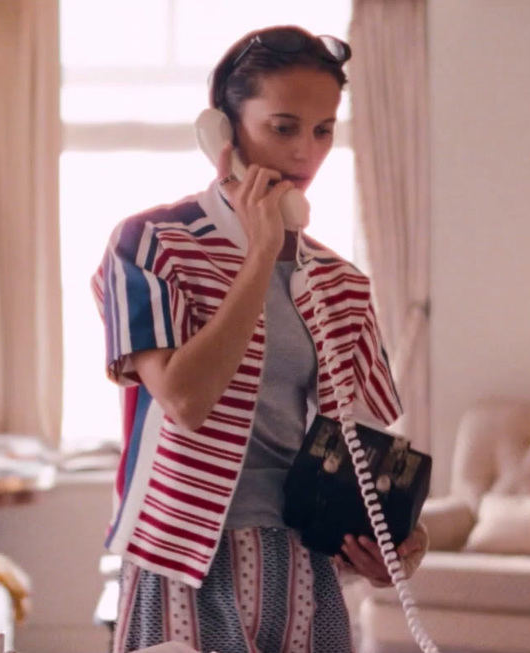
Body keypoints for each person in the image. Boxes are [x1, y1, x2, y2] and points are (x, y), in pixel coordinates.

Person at [92, 25, 427, 653]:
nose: (306, 153)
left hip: (306, 566)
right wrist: (259, 256)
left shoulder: (341, 282)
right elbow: (187, 399)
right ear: (222, 132)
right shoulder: (151, 244)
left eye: (323, 130)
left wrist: (404, 544)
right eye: (283, 126)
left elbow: (362, 447)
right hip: (183, 558)